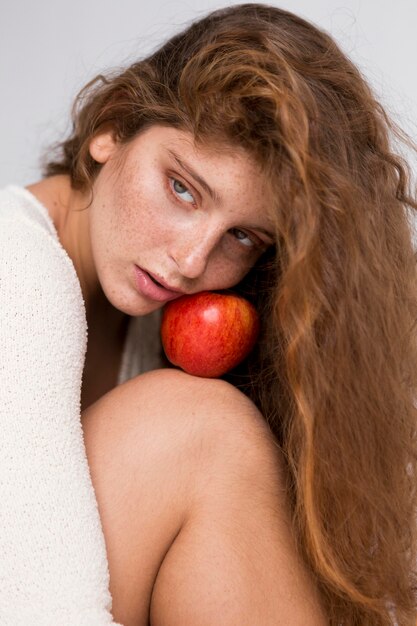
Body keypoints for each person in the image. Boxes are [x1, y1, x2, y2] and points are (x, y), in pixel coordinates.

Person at [1, 3, 416, 625]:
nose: (193, 261)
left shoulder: (161, 305)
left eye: (243, 237)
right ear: (111, 128)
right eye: (182, 188)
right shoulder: (17, 273)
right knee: (202, 430)